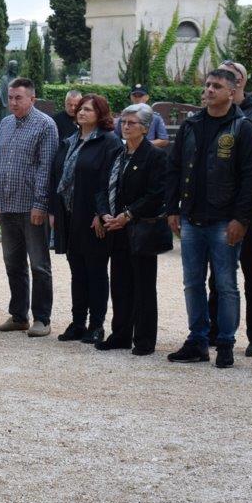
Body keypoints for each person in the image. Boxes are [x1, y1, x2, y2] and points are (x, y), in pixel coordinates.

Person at [165, 68, 252, 369]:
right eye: (207, 85)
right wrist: (173, 209)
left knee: (226, 283)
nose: (208, 90)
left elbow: (251, 177)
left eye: (216, 86)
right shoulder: (191, 125)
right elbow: (175, 167)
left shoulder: (242, 128)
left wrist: (241, 219)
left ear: (232, 92)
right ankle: (197, 339)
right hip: (192, 217)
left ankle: (225, 343)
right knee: (192, 283)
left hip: (225, 219)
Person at [207, 60, 252, 357]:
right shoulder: (212, 113)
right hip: (214, 209)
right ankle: (215, 330)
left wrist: (243, 214)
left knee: (251, 272)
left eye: (229, 77)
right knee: (216, 275)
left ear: (240, 83)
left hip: (244, 208)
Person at [95, 103, 169, 354]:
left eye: (131, 123)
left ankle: (145, 339)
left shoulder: (155, 156)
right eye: (123, 122)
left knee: (143, 285)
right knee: (120, 283)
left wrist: (128, 215)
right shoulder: (117, 153)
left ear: (145, 128)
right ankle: (121, 333)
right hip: (116, 228)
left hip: (140, 229)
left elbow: (156, 193)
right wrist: (104, 212)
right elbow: (102, 186)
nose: (125, 127)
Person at [0, 78, 57, 335]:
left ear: (32, 99)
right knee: (13, 264)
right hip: (7, 206)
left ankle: (42, 318)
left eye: (19, 98)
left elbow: (46, 167)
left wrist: (40, 204)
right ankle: (18, 315)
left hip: (31, 208)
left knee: (39, 265)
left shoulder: (45, 125)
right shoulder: (5, 124)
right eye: (11, 97)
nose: (13, 102)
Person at [53, 93, 122, 344]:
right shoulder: (70, 140)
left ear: (101, 114)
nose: (82, 113)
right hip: (71, 214)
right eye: (81, 109)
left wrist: (100, 214)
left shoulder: (109, 142)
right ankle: (78, 321)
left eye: (89, 110)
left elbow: (110, 181)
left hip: (93, 216)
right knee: (77, 271)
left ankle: (96, 324)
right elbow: (58, 178)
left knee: (95, 271)